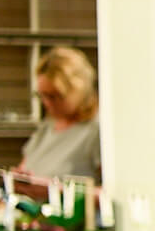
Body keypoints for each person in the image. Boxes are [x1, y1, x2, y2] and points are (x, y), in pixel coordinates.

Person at [20, 47, 101, 181]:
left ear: (78, 90)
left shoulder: (96, 131)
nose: (46, 103)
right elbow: (25, 167)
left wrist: (53, 190)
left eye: (53, 96)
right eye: (42, 96)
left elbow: (112, 193)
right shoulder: (48, 126)